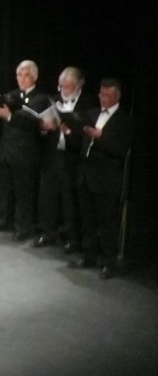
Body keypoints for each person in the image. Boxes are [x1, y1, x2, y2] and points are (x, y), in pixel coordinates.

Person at [68, 79, 132, 279]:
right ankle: (88, 256)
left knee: (106, 223)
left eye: (106, 95)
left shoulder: (124, 120)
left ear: (117, 96)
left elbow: (121, 150)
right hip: (85, 175)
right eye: (100, 94)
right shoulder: (92, 113)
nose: (102, 98)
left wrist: (100, 137)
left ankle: (109, 262)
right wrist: (69, 133)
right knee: (87, 220)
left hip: (106, 179)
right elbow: (81, 141)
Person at [0, 60, 52, 241]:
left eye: (26, 76)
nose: (22, 79)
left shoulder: (41, 99)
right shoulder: (11, 95)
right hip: (7, 149)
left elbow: (33, 123)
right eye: (19, 75)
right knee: (4, 188)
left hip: (26, 153)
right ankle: (2, 219)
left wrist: (9, 116)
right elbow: (0, 119)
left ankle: (23, 226)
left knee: (23, 191)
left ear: (35, 77)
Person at [34, 67, 96, 249]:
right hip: (51, 156)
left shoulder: (88, 104)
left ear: (78, 86)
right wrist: (44, 128)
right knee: (47, 198)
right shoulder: (53, 99)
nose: (63, 91)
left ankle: (72, 239)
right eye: (61, 87)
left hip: (72, 159)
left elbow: (86, 134)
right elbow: (41, 130)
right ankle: (48, 233)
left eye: (67, 87)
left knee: (70, 202)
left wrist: (68, 131)